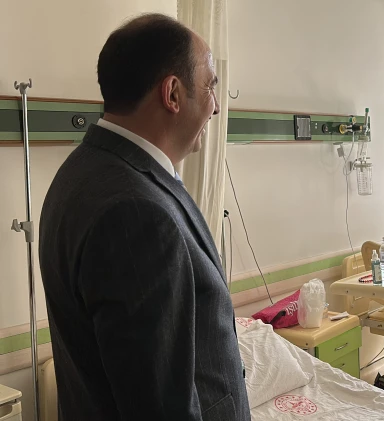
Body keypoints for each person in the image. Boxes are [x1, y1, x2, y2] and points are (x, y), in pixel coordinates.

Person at [38, 14, 251, 420]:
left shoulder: (81, 172)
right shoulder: (136, 214)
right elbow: (161, 406)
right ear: (172, 94)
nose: (216, 106)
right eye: (210, 86)